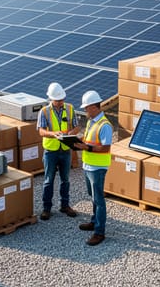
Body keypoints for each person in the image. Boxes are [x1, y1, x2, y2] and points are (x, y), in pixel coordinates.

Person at [36, 82, 81, 221]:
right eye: (58, 100)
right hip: (51, 150)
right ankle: (47, 208)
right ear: (51, 99)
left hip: (65, 150)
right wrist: (54, 134)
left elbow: (77, 126)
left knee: (65, 180)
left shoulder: (70, 108)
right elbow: (41, 131)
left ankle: (65, 205)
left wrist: (70, 134)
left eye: (62, 99)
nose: (60, 102)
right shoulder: (44, 112)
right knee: (48, 180)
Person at [74, 90, 113, 246]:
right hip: (88, 165)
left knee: (98, 199)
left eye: (87, 108)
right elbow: (88, 138)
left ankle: (99, 232)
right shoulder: (91, 122)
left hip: (97, 167)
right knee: (92, 196)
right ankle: (94, 221)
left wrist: (86, 148)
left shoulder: (105, 125)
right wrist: (76, 142)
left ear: (95, 107)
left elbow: (105, 148)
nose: (85, 111)